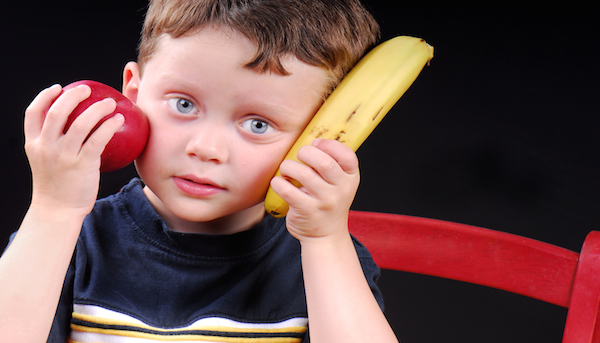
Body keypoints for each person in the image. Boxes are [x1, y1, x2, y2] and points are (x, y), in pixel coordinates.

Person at [0, 0, 399, 342]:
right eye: (184, 104)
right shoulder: (74, 241)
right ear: (133, 94)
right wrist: (53, 211)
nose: (205, 149)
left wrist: (325, 244)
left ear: (316, 135)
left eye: (257, 124)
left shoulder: (323, 259)